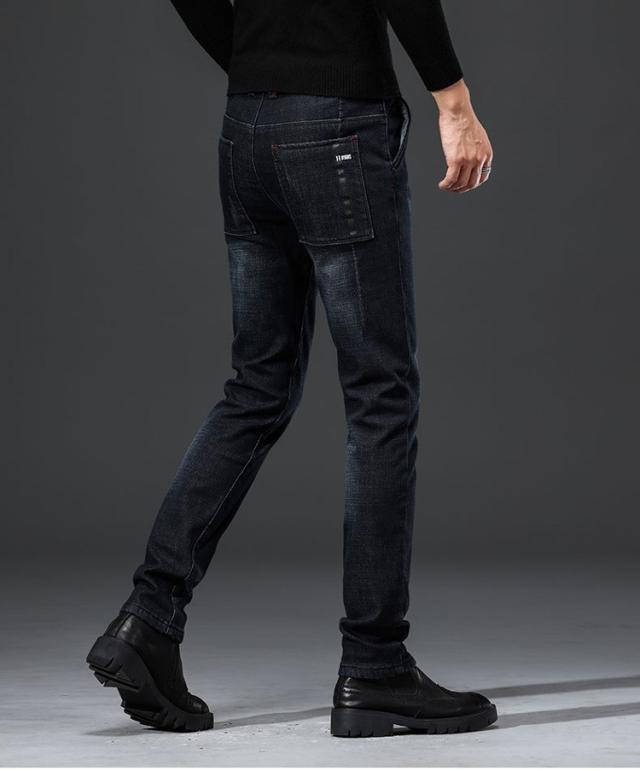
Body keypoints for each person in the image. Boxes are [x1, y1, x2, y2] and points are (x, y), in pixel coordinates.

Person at [87, 0, 496, 738]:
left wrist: (260, 64)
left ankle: (147, 619)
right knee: (380, 395)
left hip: (248, 125)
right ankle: (375, 664)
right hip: (338, 126)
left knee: (256, 386)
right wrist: (454, 101)